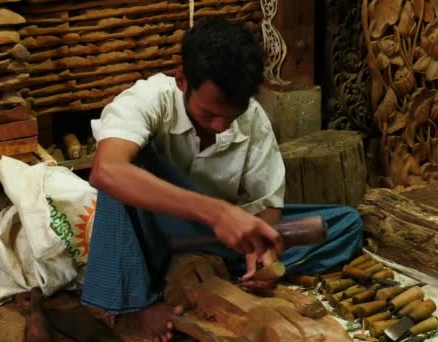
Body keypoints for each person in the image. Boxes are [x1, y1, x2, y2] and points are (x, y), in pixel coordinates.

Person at [82, 17, 363, 342]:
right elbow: (106, 171)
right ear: (182, 80)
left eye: (230, 117)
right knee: (126, 172)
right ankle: (135, 305)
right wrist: (217, 213)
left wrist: (261, 251)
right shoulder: (149, 100)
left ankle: (220, 275)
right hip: (153, 234)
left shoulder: (252, 118)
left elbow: (266, 204)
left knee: (346, 223)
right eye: (209, 114)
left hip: (215, 239)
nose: (219, 126)